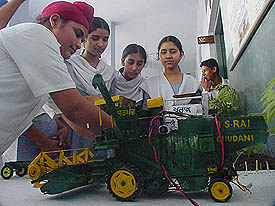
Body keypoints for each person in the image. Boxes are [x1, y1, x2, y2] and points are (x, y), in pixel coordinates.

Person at [0, 1, 112, 160]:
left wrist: (108, 138)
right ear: (55, 21)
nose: (78, 45)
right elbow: (74, 108)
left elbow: (75, 122)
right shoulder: (38, 34)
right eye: (77, 34)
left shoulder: (44, 68)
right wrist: (121, 130)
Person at [46, 16, 117, 154]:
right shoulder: (69, 66)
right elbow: (60, 104)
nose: (101, 44)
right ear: (84, 38)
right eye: (95, 38)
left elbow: (113, 106)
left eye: (105, 39)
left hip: (105, 130)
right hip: (75, 130)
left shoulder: (111, 73)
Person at [143, 35, 200, 102]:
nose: (168, 56)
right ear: (158, 55)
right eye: (164, 52)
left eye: (173, 52)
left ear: (181, 54)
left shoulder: (192, 83)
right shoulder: (150, 85)